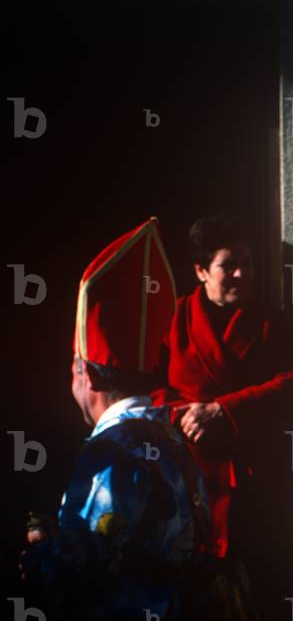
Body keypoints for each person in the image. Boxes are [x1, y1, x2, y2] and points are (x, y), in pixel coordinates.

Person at [20, 218, 211, 619]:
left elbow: (77, 571)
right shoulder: (170, 435)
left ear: (87, 376)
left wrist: (40, 550)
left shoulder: (110, 452)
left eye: (73, 370)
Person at [152, 213, 293, 612]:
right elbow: (150, 387)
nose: (241, 274)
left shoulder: (269, 324)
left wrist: (224, 410)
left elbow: (291, 384)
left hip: (252, 479)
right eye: (228, 266)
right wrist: (185, 417)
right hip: (187, 475)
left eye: (247, 264)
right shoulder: (174, 317)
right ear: (200, 271)